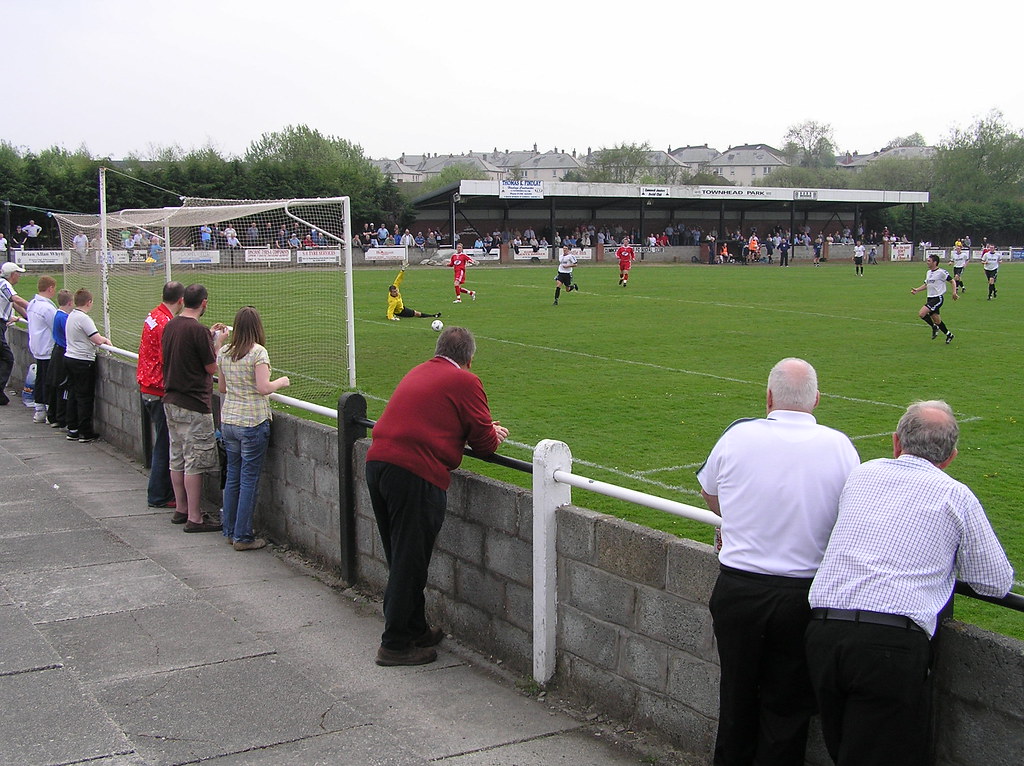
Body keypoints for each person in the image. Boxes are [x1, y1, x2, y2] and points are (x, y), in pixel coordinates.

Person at [806, 400, 1014, 766]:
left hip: (825, 632)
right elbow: (995, 582)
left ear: (896, 442)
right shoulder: (955, 495)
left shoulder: (863, 474)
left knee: (845, 749)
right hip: (889, 646)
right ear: (950, 457)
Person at [696, 358, 859, 766]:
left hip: (740, 590)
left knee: (736, 697)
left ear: (768, 397)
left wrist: (738, 526)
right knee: (787, 710)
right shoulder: (839, 446)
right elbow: (851, 513)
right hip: (802, 596)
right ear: (817, 399)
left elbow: (711, 493)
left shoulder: (738, 436)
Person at [365, 326, 508, 666]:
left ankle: (415, 628)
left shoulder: (420, 370)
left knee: (401, 556)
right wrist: (493, 432)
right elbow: (485, 444)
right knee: (410, 561)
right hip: (414, 472)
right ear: (469, 359)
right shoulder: (466, 381)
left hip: (379, 462)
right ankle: (395, 644)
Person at [217, 306, 290, 551]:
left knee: (233, 477)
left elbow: (223, 388)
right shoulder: (258, 353)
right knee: (248, 480)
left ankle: (230, 530)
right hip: (251, 422)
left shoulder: (225, 352)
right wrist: (281, 381)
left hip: (229, 422)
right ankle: (242, 536)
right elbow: (263, 387)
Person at [162, 284, 229, 532]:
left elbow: (187, 353)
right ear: (204, 303)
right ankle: (195, 517)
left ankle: (181, 509)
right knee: (194, 460)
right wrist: (219, 344)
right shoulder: (197, 331)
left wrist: (209, 337)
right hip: (193, 403)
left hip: (171, 400)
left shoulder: (171, 325)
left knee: (177, 455)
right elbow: (212, 368)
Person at [137, 282, 185, 516]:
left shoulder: (154, 315)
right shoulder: (165, 323)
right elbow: (168, 357)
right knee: (165, 445)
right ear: (181, 300)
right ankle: (158, 494)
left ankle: (160, 493)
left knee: (163, 442)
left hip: (148, 385)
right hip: (157, 389)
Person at [63, 289, 112, 443]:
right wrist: (105, 340)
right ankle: (85, 432)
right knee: (84, 396)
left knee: (73, 394)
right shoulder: (83, 319)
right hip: (82, 360)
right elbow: (96, 339)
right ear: (89, 302)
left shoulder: (71, 316)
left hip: (70, 357)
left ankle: (73, 429)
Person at [26, 276, 58, 423]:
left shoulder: (32, 304)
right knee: (48, 380)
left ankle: (39, 410)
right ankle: (48, 411)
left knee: (40, 378)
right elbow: (55, 327)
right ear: (50, 288)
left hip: (37, 346)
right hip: (47, 348)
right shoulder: (47, 308)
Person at [0, 262, 30, 405]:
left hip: (2, 325)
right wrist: (35, 307)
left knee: (4, 358)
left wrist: (29, 316)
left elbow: (15, 305)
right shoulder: (4, 284)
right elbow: (16, 299)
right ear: (12, 274)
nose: (19, 276)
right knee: (7, 358)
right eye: (18, 273)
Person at [911, 253, 957, 344]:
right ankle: (949, 335)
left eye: (929, 261)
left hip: (937, 298)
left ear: (935, 262)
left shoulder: (941, 272)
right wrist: (917, 290)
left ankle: (934, 327)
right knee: (937, 321)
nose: (927, 262)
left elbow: (952, 281)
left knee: (922, 313)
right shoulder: (928, 272)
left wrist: (954, 292)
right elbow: (927, 285)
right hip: (930, 298)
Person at [45, 289, 73, 427]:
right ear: (70, 302)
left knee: (55, 384)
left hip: (57, 351)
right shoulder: (64, 318)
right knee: (62, 385)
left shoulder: (58, 315)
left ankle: (53, 416)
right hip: (62, 352)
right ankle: (60, 417)